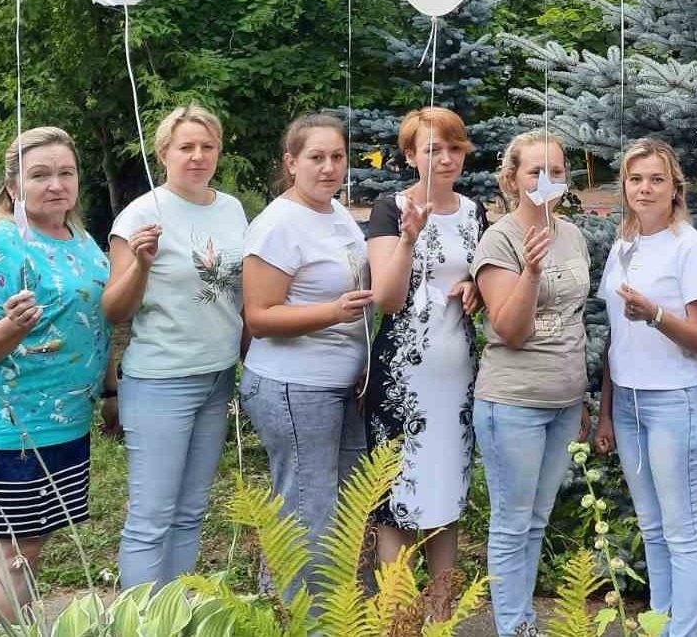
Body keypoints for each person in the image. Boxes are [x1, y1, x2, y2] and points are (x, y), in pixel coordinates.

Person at [0, 127, 111, 623]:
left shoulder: (80, 238)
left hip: (67, 422)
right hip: (12, 429)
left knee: (32, 547)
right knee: (15, 554)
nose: (56, 184)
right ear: (13, 185)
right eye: (39, 175)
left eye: (66, 173)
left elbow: (97, 320)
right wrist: (12, 326)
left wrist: (110, 391)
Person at [103, 104, 247, 590]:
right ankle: (140, 620)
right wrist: (141, 265)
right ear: (164, 151)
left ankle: (176, 613)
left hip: (218, 374)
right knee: (151, 517)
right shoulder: (140, 215)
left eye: (207, 147)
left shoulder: (231, 208)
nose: (197, 156)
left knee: (191, 512)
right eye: (186, 147)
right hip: (162, 380)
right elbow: (115, 310)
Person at [239, 111, 374, 596]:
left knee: (340, 510)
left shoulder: (336, 214)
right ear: (291, 162)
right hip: (295, 386)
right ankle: (302, 616)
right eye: (316, 157)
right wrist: (333, 312)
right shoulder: (278, 223)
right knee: (308, 511)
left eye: (337, 157)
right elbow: (259, 316)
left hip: (342, 385)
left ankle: (295, 607)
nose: (329, 167)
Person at [364, 106, 486, 618]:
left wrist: (476, 284)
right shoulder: (390, 210)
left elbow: (488, 273)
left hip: (457, 371)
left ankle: (441, 619)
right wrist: (411, 238)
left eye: (454, 147)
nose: (446, 158)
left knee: (446, 497)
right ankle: (397, 621)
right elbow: (386, 300)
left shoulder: (475, 210)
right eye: (433, 149)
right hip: (402, 375)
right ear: (410, 155)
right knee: (397, 502)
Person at [593, 139, 697, 637]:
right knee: (651, 527)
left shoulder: (690, 247)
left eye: (656, 179)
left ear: (674, 188)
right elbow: (614, 338)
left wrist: (657, 315)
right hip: (628, 401)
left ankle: (683, 632)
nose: (645, 188)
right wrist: (605, 413)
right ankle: (659, 626)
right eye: (636, 179)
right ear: (625, 186)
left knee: (682, 531)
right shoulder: (624, 246)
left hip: (676, 401)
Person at [471, 130, 591, 637]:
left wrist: (582, 399)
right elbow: (511, 330)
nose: (547, 181)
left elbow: (577, 321)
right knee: (512, 521)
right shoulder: (500, 239)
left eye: (557, 171)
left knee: (538, 520)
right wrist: (532, 270)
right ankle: (514, 627)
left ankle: (522, 622)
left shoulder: (573, 234)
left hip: (563, 401)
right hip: (513, 402)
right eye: (535, 172)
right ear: (513, 179)